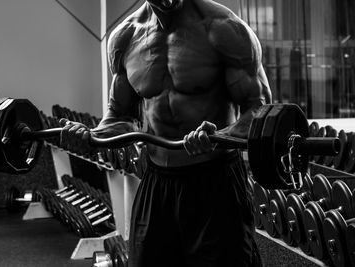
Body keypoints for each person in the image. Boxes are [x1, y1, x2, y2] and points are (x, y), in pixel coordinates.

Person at [60, 0, 272, 266]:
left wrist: (218, 137)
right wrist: (90, 136)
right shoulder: (125, 36)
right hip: (157, 182)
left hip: (215, 182)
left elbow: (259, 112)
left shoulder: (224, 29)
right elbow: (120, 117)